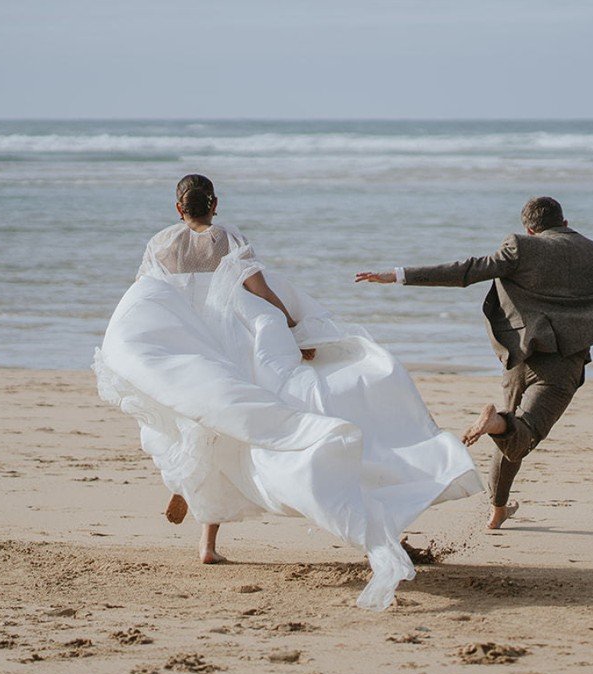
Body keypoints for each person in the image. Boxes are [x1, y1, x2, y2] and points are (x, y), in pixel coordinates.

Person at [94, 174, 481, 609]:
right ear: (215, 204)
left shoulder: (161, 245)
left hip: (194, 348)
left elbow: (149, 299)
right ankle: (222, 514)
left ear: (178, 208)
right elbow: (259, 289)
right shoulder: (227, 239)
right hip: (236, 341)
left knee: (207, 421)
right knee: (248, 426)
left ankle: (204, 535)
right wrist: (295, 327)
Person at [357, 196, 593, 530]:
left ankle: (497, 509)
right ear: (565, 223)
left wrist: (398, 275)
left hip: (518, 359)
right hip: (563, 364)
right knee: (525, 432)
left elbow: (466, 271)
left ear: (530, 230)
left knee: (511, 431)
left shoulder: (520, 247)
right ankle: (496, 430)